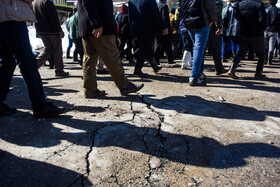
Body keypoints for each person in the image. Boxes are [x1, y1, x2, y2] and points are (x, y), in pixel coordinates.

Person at [0, 0, 64, 118]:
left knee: (7, 61)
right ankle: (40, 106)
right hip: (11, 15)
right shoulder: (46, 3)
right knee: (27, 61)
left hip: (4, 15)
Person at [77, 0, 144, 98]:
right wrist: (96, 23)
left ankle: (90, 89)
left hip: (87, 26)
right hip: (101, 26)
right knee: (112, 56)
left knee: (89, 59)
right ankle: (124, 86)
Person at [179, 0, 217, 86]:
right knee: (199, 49)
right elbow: (210, 6)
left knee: (197, 49)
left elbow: (180, 6)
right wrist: (212, 20)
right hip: (202, 22)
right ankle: (194, 76)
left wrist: (185, 20)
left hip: (189, 23)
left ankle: (199, 73)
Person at [228, 0, 267, 79]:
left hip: (243, 32)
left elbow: (237, 17)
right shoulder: (259, 4)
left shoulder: (240, 4)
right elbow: (262, 19)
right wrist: (263, 28)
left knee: (240, 53)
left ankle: (232, 69)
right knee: (261, 54)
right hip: (256, 33)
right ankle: (258, 73)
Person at [128, 0, 168, 77]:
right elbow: (155, 13)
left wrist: (132, 31)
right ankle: (137, 70)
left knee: (147, 48)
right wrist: (163, 27)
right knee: (145, 49)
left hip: (137, 29)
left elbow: (130, 17)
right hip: (148, 29)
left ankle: (155, 67)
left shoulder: (131, 1)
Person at [33, 0, 69, 77]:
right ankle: (59, 70)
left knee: (47, 49)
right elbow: (53, 17)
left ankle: (34, 65)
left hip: (41, 30)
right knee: (57, 50)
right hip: (51, 30)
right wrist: (59, 29)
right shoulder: (47, 2)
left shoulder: (35, 2)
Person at [207, 0, 227, 76]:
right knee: (216, 49)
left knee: (201, 49)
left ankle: (199, 69)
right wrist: (219, 27)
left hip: (202, 26)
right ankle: (219, 68)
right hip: (213, 29)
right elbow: (218, 14)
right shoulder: (217, 2)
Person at [154, 0, 175, 65]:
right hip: (164, 29)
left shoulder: (156, 6)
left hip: (157, 28)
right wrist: (165, 28)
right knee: (168, 45)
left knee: (157, 44)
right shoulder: (164, 6)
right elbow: (164, 18)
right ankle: (170, 60)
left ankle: (156, 60)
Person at [264, 0, 280, 65]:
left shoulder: (266, 10)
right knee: (272, 45)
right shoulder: (278, 11)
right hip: (274, 30)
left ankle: (265, 59)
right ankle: (269, 61)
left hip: (266, 29)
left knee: (265, 45)